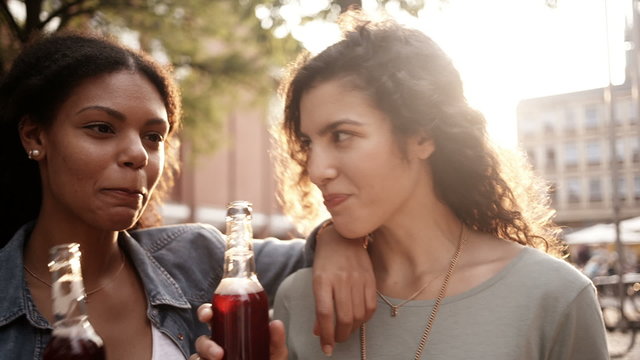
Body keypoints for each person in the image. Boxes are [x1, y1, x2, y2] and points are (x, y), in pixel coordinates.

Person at [0, 31, 374, 359]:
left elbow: (311, 253)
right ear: (35, 136)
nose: (137, 155)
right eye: (101, 128)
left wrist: (338, 239)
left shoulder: (197, 256)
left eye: (153, 137)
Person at [270, 11, 609, 359]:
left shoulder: (553, 296)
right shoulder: (299, 300)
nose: (316, 170)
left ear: (422, 136)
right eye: (309, 143)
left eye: (342, 136)